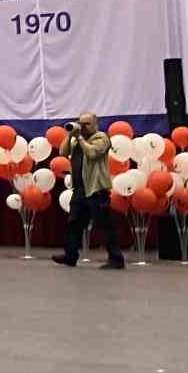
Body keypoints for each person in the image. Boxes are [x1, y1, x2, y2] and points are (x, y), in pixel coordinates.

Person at [52, 113, 123, 270]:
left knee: (104, 226)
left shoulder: (101, 138)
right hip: (80, 189)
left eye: (87, 124)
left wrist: (80, 138)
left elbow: (91, 153)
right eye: (81, 123)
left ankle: (116, 259)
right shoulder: (76, 139)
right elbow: (63, 152)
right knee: (74, 224)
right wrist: (70, 134)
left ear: (95, 124)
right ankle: (70, 256)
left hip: (96, 190)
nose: (83, 127)